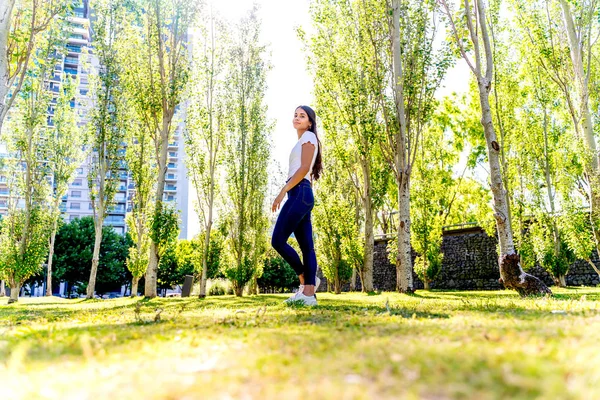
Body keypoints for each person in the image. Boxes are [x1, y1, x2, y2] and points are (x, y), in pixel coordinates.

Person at [271, 105, 323, 306]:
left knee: (278, 240)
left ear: (310, 122)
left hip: (300, 192)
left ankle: (304, 278)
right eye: (295, 115)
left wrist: (283, 191)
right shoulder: (302, 140)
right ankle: (309, 293)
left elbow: (303, 168)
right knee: (307, 247)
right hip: (301, 193)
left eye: (302, 116)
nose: (297, 118)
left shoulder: (309, 137)